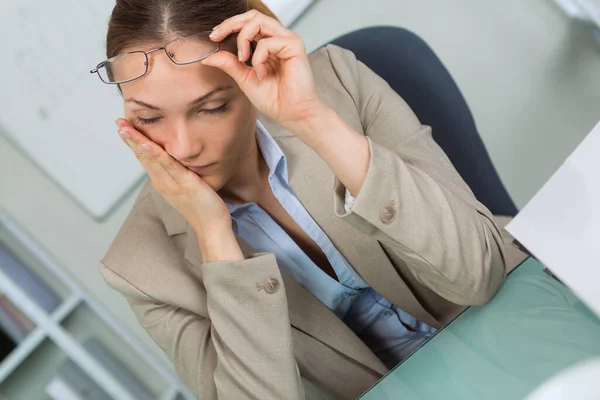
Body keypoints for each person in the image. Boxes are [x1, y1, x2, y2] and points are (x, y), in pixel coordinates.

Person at [95, 0, 519, 398]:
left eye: (213, 107)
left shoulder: (338, 81)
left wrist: (312, 120)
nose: (182, 147)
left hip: (517, 320)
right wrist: (213, 235)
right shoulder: (138, 267)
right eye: (149, 118)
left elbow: (479, 275)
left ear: (250, 72)